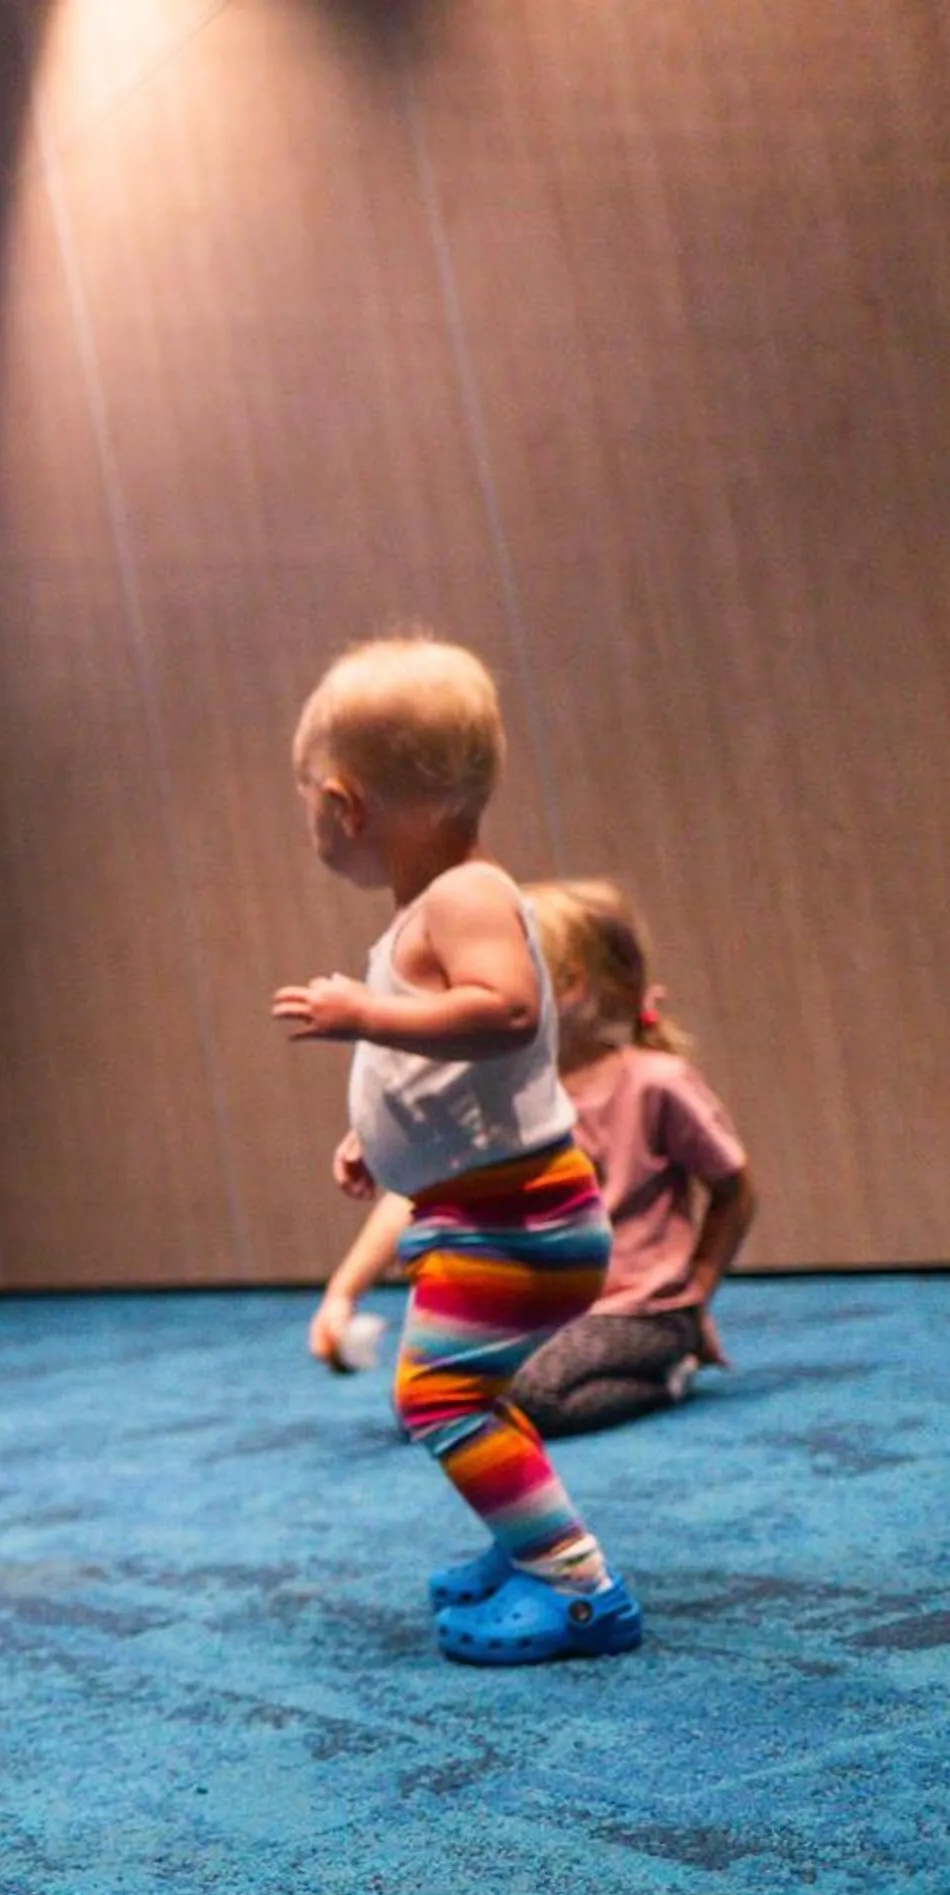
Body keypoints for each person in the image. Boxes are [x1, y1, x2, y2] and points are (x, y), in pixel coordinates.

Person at [274, 639, 641, 1666]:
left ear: (346, 804)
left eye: (307, 797)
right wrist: (383, 1139)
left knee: (438, 1394)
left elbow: (506, 1012)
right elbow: (464, 1071)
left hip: (519, 1222)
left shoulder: (465, 896)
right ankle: (526, 1545)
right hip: (490, 1210)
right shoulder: (430, 908)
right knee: (467, 1390)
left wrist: (365, 1013)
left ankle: (574, 1583)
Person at [309, 879, 759, 1437]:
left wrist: (694, 1299)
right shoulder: (496, 1092)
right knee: (429, 1402)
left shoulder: (656, 1082)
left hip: (637, 1312)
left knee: (533, 1398)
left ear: (564, 986)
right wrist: (342, 1294)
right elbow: (414, 1195)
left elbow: (734, 1191)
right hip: (540, 1308)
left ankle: (670, 1369)